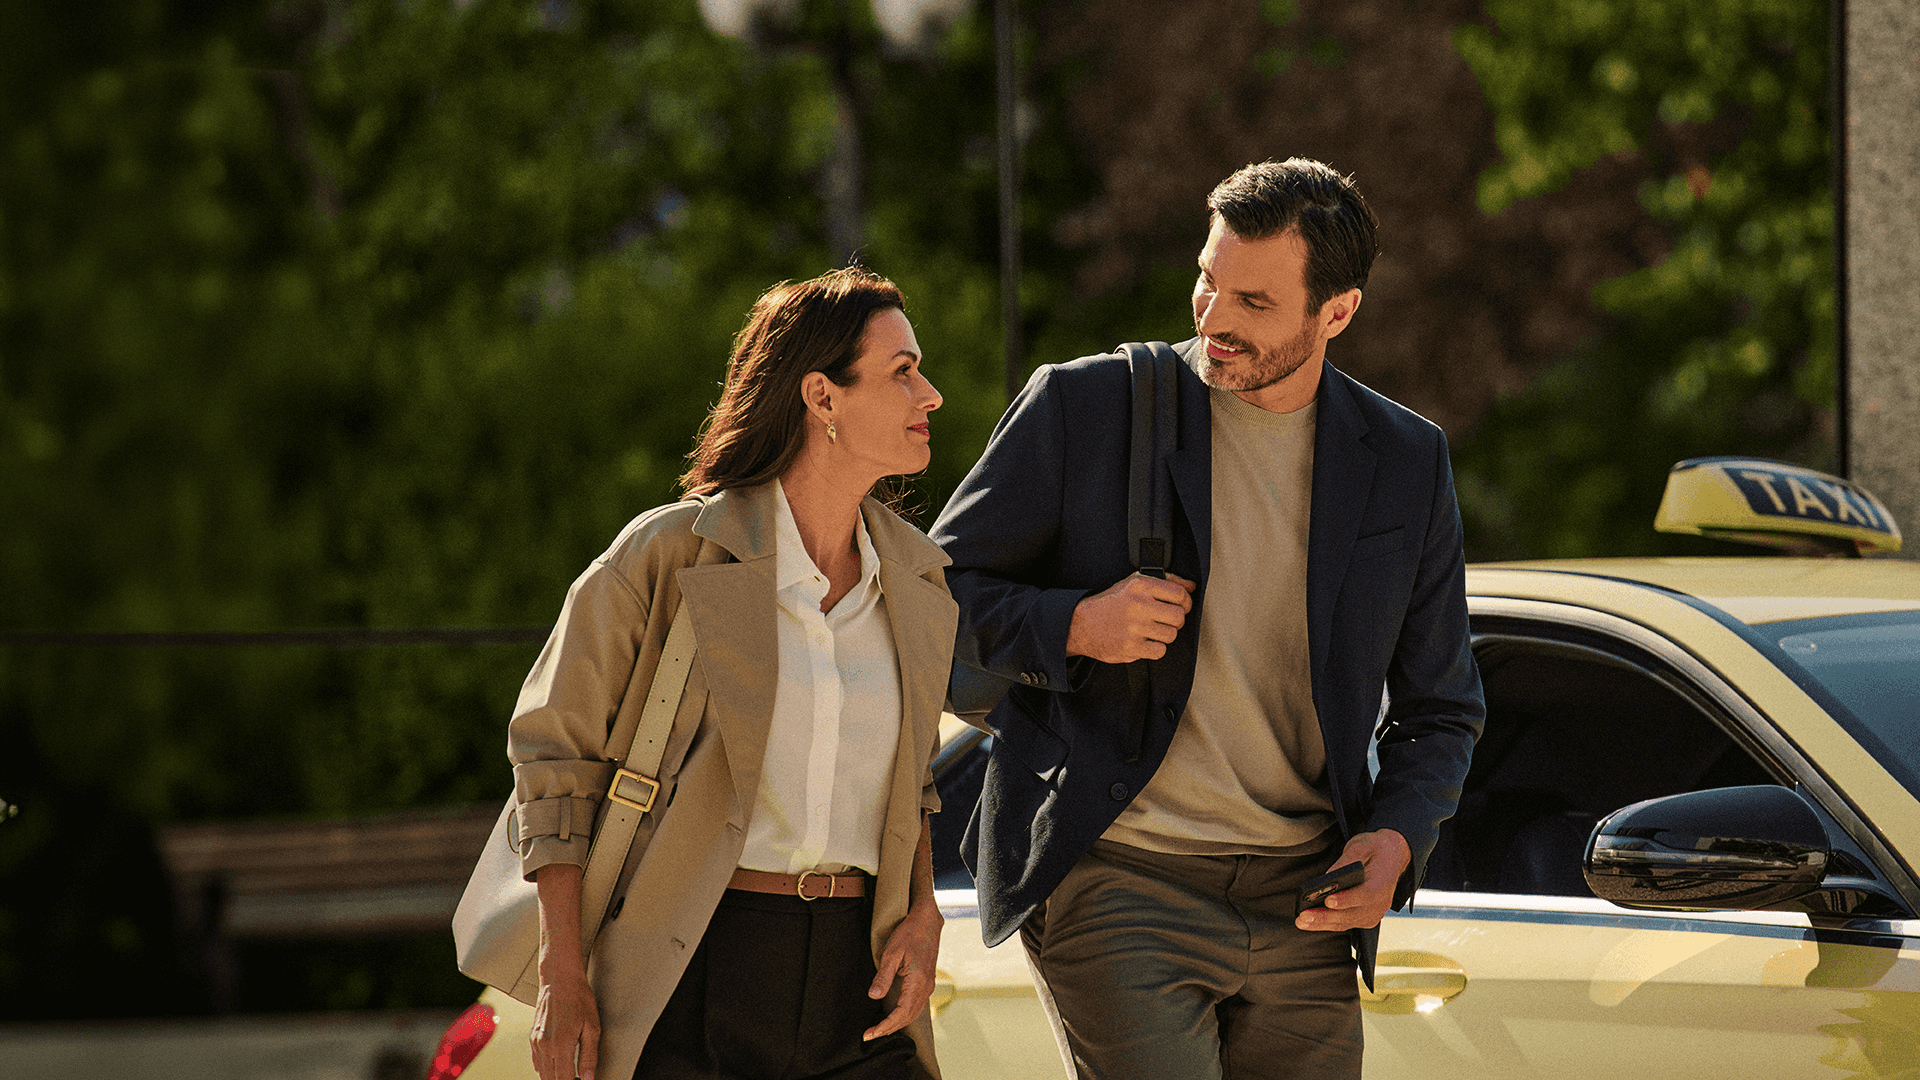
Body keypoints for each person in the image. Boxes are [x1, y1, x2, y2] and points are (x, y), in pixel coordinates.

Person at [930, 158, 1485, 1079]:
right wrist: (1076, 625)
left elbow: (1441, 708)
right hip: (1119, 875)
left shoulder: (1405, 460)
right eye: (1207, 280)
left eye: (1255, 303)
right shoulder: (1084, 407)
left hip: (1306, 893)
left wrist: (1397, 839)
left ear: (1336, 313)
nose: (1215, 318)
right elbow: (928, 599)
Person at [508, 267, 955, 1080]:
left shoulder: (919, 583)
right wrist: (560, 974)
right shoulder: (666, 557)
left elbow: (915, 781)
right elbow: (553, 767)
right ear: (822, 397)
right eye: (902, 372)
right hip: (693, 967)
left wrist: (923, 908)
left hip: (861, 984)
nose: (930, 395)